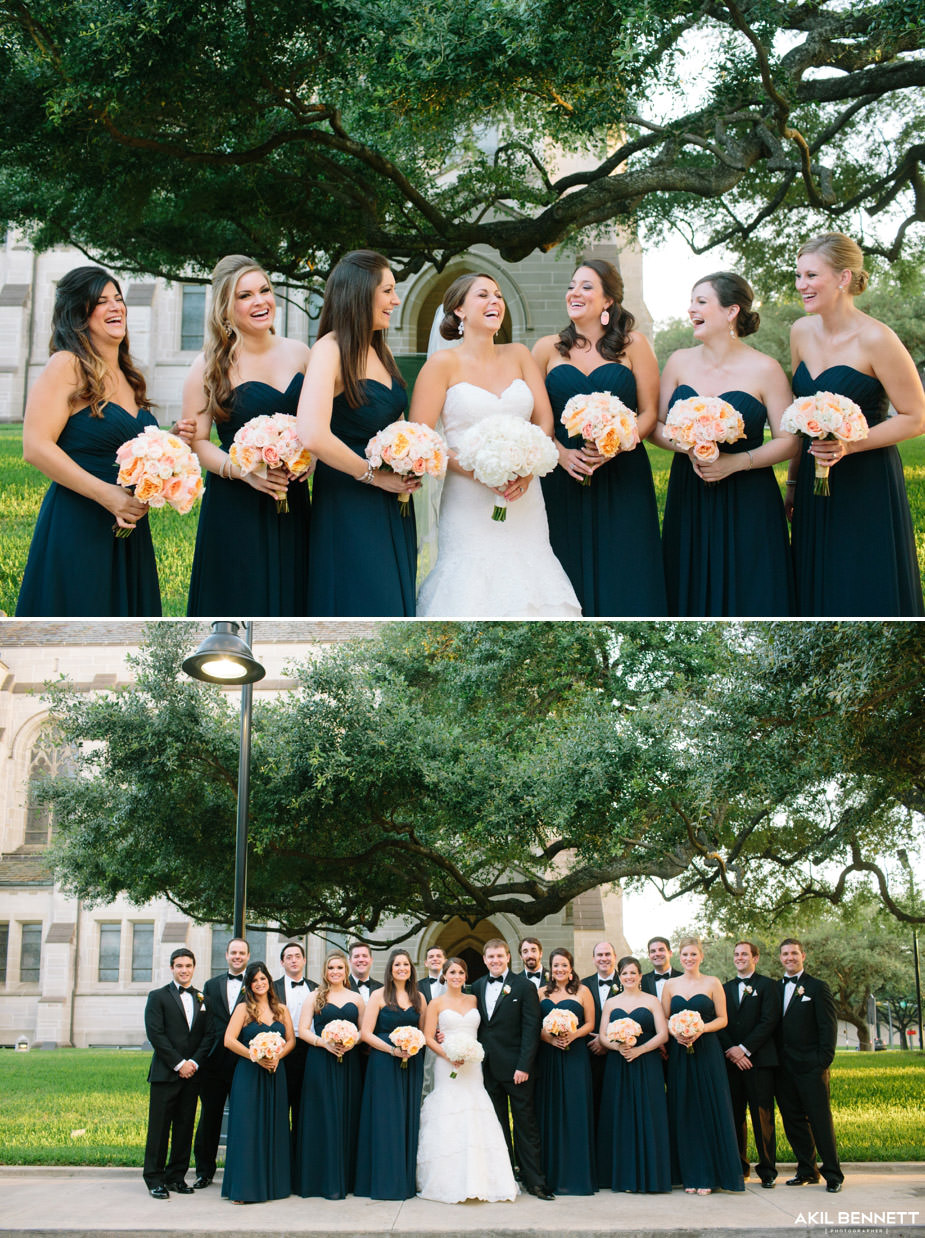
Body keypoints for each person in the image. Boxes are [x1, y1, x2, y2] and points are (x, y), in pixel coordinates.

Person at [409, 272, 581, 617]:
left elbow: (544, 421)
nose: (495, 302)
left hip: (524, 497)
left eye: (499, 296)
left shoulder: (518, 354)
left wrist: (528, 470)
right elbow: (422, 441)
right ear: (459, 310)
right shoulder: (441, 365)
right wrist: (479, 471)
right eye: (483, 295)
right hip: (467, 498)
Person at [787, 232, 925, 616]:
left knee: (861, 582)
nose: (802, 285)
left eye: (811, 276)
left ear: (844, 278)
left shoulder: (877, 338)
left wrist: (850, 444)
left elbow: (916, 417)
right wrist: (794, 483)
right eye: (798, 276)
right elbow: (803, 415)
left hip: (867, 482)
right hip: (814, 488)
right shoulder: (800, 331)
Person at [17, 265, 161, 617]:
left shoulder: (130, 377)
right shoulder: (67, 365)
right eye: (101, 301)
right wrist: (106, 494)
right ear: (79, 313)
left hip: (129, 528)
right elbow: (35, 446)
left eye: (118, 299)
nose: (116, 307)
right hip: (79, 523)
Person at [654, 271, 798, 616]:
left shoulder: (766, 369)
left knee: (751, 587)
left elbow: (790, 440)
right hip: (690, 491)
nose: (691, 309)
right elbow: (656, 426)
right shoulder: (678, 362)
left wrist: (736, 462)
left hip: (748, 496)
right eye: (691, 302)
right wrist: (688, 447)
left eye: (701, 302)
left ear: (731, 311)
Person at [533, 259, 667, 616]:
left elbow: (650, 413)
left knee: (625, 567)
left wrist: (615, 445)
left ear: (608, 300)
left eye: (586, 286)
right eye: (571, 285)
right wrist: (559, 453)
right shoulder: (546, 349)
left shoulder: (634, 345)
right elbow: (533, 417)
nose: (574, 292)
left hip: (623, 474)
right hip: (563, 475)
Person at [184, 254, 312, 616]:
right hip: (235, 504)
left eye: (264, 290)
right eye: (245, 295)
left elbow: (318, 426)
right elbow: (198, 443)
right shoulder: (208, 366)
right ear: (226, 308)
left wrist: (311, 459)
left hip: (293, 498)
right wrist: (246, 472)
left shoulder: (302, 354)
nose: (260, 301)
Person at [296, 249, 419, 616]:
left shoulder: (381, 351)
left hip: (392, 500)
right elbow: (312, 433)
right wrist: (374, 477)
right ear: (359, 292)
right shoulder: (329, 349)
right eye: (388, 291)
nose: (395, 300)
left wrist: (411, 455)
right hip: (350, 502)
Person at [417, 956, 518, 1203]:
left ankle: (481, 1178)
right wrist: (449, 1054)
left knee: (475, 1110)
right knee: (449, 1111)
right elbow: (428, 1037)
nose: (456, 976)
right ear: (445, 976)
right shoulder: (436, 1004)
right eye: (452, 972)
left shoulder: (474, 999)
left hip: (473, 1065)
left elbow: (487, 1027)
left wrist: (468, 1053)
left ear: (465, 976)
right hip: (446, 1064)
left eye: (461, 972)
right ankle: (447, 1180)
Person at [471, 938, 554, 1200]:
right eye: (490, 957)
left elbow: (531, 1028)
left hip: (518, 1070)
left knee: (525, 1126)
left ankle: (535, 1181)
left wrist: (524, 1066)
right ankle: (506, 1178)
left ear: (508, 957)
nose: (495, 961)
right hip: (487, 1070)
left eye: (499, 956)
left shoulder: (524, 986)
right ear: (485, 960)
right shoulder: (477, 986)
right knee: (496, 1128)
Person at [662, 937, 744, 1194]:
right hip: (679, 1052)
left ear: (701, 957)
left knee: (709, 1106)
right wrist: (677, 1033)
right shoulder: (670, 985)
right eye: (685, 954)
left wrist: (699, 1029)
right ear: (679, 957)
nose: (689, 959)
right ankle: (689, 1175)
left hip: (707, 1051)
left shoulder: (712, 983)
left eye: (693, 954)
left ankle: (710, 1175)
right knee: (684, 1108)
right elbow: (664, 1018)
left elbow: (723, 1019)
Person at [354, 948, 426, 1199]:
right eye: (397, 965)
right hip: (384, 1064)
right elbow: (366, 1033)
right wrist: (392, 1050)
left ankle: (404, 1181)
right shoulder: (378, 996)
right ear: (390, 969)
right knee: (386, 1120)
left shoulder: (419, 997)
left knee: (407, 1118)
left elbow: (425, 1031)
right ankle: (384, 1181)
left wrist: (415, 1044)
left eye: (405, 964)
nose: (402, 968)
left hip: (411, 1064)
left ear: (411, 969)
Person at [221, 961, 294, 1203]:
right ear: (249, 985)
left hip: (275, 1073)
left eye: (263, 979)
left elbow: (291, 1041)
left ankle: (274, 1185)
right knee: (248, 1127)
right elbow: (229, 1040)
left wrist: (276, 1057)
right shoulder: (243, 1009)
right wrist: (256, 1056)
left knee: (274, 1125)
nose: (260, 983)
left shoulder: (281, 1010)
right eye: (255, 980)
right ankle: (244, 1188)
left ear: (269, 982)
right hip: (249, 1074)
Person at [775, 938, 843, 1193]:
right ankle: (807, 1170)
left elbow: (828, 1027)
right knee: (793, 1121)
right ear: (780, 958)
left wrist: (822, 1061)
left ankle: (833, 1174)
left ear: (803, 955)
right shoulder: (775, 988)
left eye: (794, 953)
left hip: (811, 1067)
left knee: (820, 1120)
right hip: (783, 1069)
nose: (790, 957)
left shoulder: (817, 987)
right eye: (785, 954)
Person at [597, 955, 671, 1193]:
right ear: (619, 976)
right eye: (624, 973)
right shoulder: (611, 1003)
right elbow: (603, 1036)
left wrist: (640, 1049)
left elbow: (663, 1034)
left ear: (640, 975)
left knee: (648, 1114)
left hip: (647, 1063)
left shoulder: (651, 1001)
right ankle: (622, 1176)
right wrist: (618, 1046)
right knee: (621, 1116)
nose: (629, 977)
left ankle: (651, 1176)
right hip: (618, 1065)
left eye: (633, 973)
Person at [294, 951, 365, 1199]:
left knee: (348, 1113)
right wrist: (324, 1043)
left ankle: (348, 1178)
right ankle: (319, 1179)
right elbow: (302, 1030)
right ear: (325, 971)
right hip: (321, 1061)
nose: (335, 972)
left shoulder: (356, 999)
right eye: (331, 968)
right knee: (322, 1115)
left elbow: (363, 1031)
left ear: (346, 971)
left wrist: (351, 1041)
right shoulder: (314, 996)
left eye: (339, 968)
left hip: (349, 1062)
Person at [142, 948, 208, 1198]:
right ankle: (154, 1178)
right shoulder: (157, 996)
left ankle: (176, 1176)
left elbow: (207, 1035)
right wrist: (179, 1063)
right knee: (159, 1129)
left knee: (184, 1128)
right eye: (179, 966)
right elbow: (155, 1034)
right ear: (172, 968)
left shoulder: (202, 998)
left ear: (193, 967)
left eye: (188, 966)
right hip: (165, 1074)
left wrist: (194, 1063)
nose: (184, 970)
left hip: (192, 1075)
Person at [718, 941, 780, 1188]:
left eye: (744, 954)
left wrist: (744, 1050)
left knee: (762, 1116)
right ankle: (739, 1167)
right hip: (731, 1064)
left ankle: (767, 1171)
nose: (739, 958)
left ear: (756, 958)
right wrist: (732, 1051)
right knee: (734, 1116)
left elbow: (769, 1021)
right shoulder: (724, 988)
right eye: (736, 954)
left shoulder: (768, 986)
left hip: (759, 1062)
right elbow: (719, 1021)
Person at [535, 948, 597, 1195]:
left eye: (564, 966)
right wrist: (549, 1039)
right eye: (555, 966)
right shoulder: (540, 993)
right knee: (550, 1111)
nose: (559, 970)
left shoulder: (583, 992)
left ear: (571, 969)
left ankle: (578, 1176)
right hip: (548, 1056)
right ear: (550, 969)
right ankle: (551, 1175)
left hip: (575, 1056)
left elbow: (591, 1022)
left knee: (575, 1110)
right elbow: (532, 1025)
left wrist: (574, 1034)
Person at [192, 936, 249, 1188]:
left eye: (242, 953)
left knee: (243, 1117)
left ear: (248, 957)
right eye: (233, 952)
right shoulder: (211, 985)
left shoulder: (256, 984)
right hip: (214, 1063)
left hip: (243, 1062)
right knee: (210, 1117)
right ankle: (204, 1171)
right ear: (226, 955)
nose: (237, 956)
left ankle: (240, 1169)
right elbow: (207, 1023)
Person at [273, 941, 317, 1138]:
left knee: (305, 1107)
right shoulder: (271, 989)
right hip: (281, 1052)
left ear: (304, 960)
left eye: (297, 956)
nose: (293, 960)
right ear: (282, 962)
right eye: (288, 957)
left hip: (310, 1051)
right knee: (281, 1105)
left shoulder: (316, 989)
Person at [582, 941, 621, 1131]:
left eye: (607, 954)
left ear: (614, 957)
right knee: (594, 1105)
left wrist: (606, 1040)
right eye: (600, 955)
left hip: (619, 1054)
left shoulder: (627, 982)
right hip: (591, 1055)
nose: (604, 958)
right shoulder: (583, 985)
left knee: (617, 1104)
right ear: (593, 959)